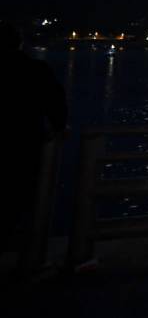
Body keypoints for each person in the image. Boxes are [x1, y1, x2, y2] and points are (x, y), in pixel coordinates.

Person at [0, 22, 67, 266]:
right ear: (20, 43)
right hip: (24, 145)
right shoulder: (34, 69)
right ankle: (27, 262)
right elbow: (55, 101)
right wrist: (60, 127)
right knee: (23, 203)